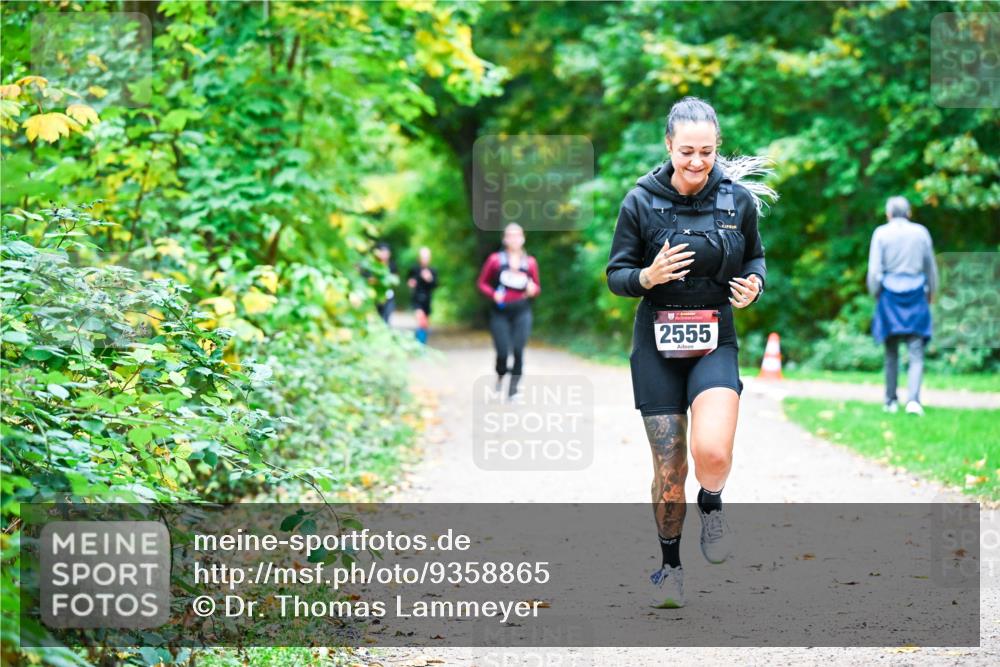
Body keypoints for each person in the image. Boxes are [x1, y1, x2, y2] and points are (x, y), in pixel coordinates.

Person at [606, 96, 777, 608]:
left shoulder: (736, 200)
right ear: (668, 146)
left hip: (713, 338)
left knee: (714, 452)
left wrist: (754, 285)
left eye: (706, 151)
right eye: (686, 151)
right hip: (656, 341)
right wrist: (646, 276)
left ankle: (714, 503)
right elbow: (616, 275)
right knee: (669, 468)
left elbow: (756, 257)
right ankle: (670, 568)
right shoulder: (639, 201)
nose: (697, 162)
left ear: (717, 146)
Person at [866, 195, 938, 416]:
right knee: (916, 351)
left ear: (888, 214)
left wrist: (875, 293)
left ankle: (890, 401)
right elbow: (930, 267)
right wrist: (932, 293)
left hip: (889, 296)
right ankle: (914, 401)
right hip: (917, 294)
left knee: (891, 351)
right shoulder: (921, 232)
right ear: (909, 213)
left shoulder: (881, 233)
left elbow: (874, 269)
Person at [476, 223, 541, 399]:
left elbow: (536, 288)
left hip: (522, 311)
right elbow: (482, 283)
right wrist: (493, 294)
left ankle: (513, 389)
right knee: (503, 351)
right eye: (510, 235)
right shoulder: (495, 260)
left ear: (523, 238)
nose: (514, 239)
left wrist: (532, 289)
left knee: (519, 350)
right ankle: (500, 375)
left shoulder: (530, 262)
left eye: (517, 235)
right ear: (505, 239)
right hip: (500, 312)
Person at [407, 246, 438, 344]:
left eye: (427, 257)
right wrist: (411, 283)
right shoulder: (414, 269)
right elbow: (408, 280)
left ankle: (421, 341)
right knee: (421, 320)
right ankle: (420, 344)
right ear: (419, 258)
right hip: (416, 299)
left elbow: (435, 285)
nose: (425, 259)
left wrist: (429, 279)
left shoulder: (433, 270)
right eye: (423, 257)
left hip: (427, 299)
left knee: (424, 323)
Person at [372, 242, 397, 324]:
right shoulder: (373, 265)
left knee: (386, 319)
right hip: (376, 296)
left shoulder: (392, 265)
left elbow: (396, 279)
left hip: (389, 296)